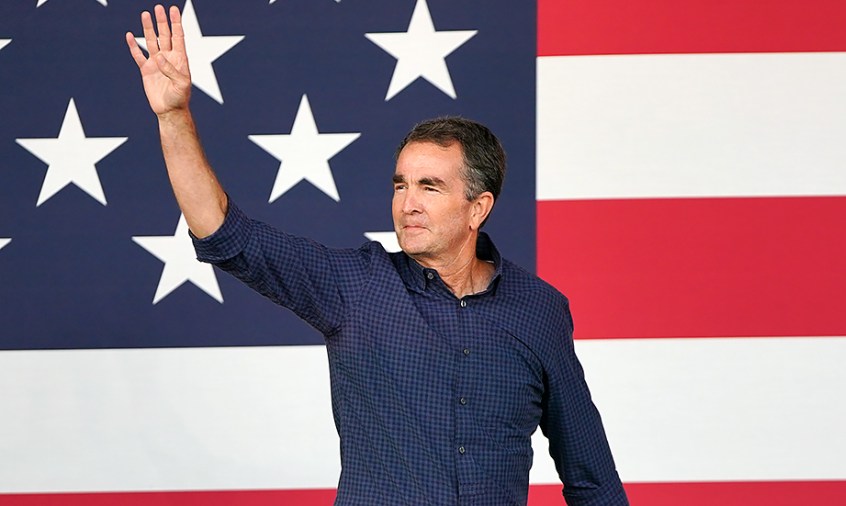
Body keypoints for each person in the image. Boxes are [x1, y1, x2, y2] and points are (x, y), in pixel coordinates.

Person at [126, 5, 628, 505]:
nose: (408, 203)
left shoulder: (539, 309)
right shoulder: (356, 287)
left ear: (478, 208)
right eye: (401, 185)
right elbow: (225, 234)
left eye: (430, 187)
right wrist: (173, 116)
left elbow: (593, 480)